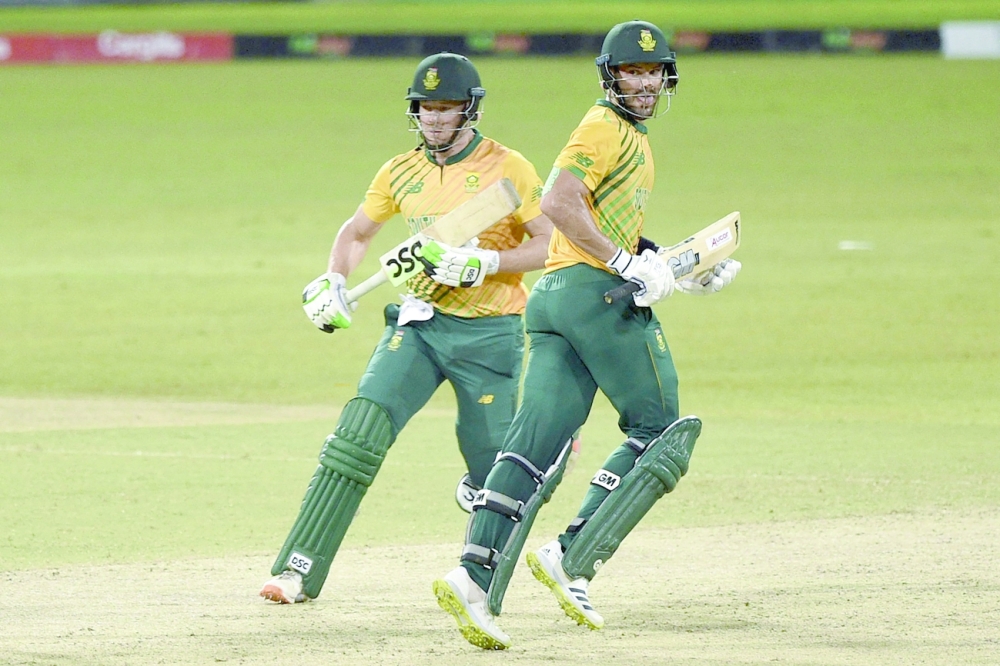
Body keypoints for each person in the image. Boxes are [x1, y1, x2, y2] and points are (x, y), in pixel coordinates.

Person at [432, 21, 741, 650]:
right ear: (611, 76)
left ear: (667, 76)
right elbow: (560, 201)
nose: (646, 82)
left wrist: (675, 264)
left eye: (654, 72)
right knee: (660, 432)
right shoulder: (605, 127)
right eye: (633, 71)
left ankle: (471, 576)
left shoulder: (629, 136)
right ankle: (571, 556)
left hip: (551, 299)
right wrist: (629, 267)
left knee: (532, 444)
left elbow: (599, 220)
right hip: (593, 295)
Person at [259, 52, 554, 604]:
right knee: (358, 433)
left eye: (447, 108)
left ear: (470, 110)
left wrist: (486, 264)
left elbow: (549, 242)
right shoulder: (400, 170)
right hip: (418, 325)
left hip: (490, 332)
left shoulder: (507, 167)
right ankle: (297, 569)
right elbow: (358, 231)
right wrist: (333, 279)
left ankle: (480, 577)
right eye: (425, 108)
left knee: (494, 472)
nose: (435, 119)